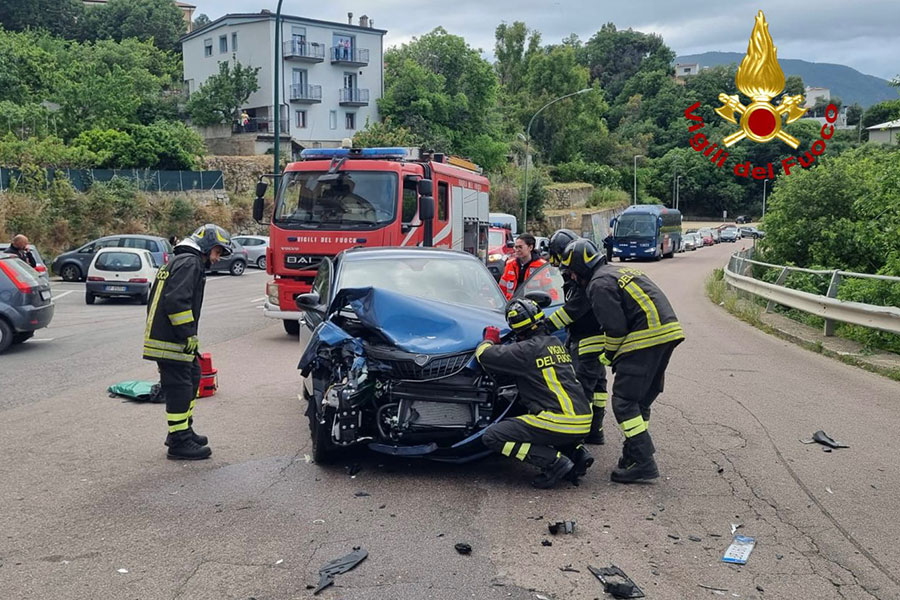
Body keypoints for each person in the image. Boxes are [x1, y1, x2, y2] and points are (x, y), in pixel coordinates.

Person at [561, 238, 684, 483]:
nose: (572, 277)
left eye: (572, 272)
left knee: (624, 402)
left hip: (644, 337)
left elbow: (615, 329)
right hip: (667, 333)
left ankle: (644, 462)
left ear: (581, 268)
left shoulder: (598, 284)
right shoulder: (616, 271)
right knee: (639, 401)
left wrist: (608, 355)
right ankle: (632, 456)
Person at [476, 298, 594, 489]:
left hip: (560, 421)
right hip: (583, 419)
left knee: (493, 436)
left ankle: (554, 462)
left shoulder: (526, 350)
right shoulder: (556, 343)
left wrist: (489, 340)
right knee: (539, 421)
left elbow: (484, 356)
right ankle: (577, 453)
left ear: (517, 330)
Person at [143, 224, 234, 460]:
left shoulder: (181, 260)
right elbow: (176, 301)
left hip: (170, 337)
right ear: (206, 246)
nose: (217, 258)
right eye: (217, 252)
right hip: (171, 340)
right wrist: (188, 334)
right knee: (180, 387)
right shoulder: (190, 263)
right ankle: (179, 441)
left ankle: (184, 429)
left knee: (193, 376)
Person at [545, 229, 609, 445]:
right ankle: (595, 431)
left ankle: (575, 439)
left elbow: (571, 310)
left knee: (581, 389)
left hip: (586, 341)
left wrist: (542, 327)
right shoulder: (583, 273)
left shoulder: (582, 279)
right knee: (598, 387)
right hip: (594, 338)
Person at [498, 233, 548, 300]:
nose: (517, 250)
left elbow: (549, 290)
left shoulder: (541, 266)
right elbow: (501, 289)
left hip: (531, 304)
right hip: (511, 303)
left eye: (520, 247)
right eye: (516, 247)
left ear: (530, 247)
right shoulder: (510, 264)